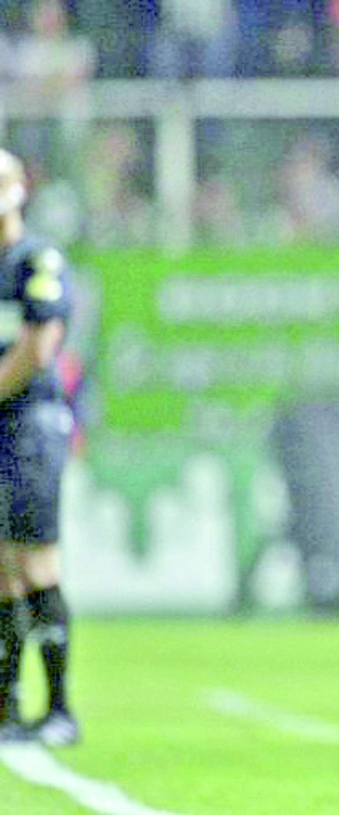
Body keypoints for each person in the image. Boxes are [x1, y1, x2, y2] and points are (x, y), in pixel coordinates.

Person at [0, 148, 78, 746]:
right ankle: (6, 706)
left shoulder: (35, 261)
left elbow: (38, 349)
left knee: (35, 561)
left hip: (29, 425)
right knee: (3, 569)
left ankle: (58, 710)